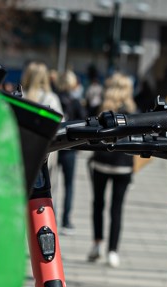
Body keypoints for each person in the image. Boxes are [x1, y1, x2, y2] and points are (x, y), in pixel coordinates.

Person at [86, 73, 136, 268]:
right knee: (117, 209)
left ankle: (97, 243)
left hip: (101, 160)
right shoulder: (132, 110)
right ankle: (112, 251)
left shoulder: (102, 109)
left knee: (98, 203)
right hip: (123, 164)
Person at [54, 70, 85, 229]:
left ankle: (50, 217)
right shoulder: (75, 101)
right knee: (69, 185)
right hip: (70, 148)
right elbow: (83, 120)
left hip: (53, 147)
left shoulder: (55, 98)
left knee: (51, 183)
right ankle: (66, 220)